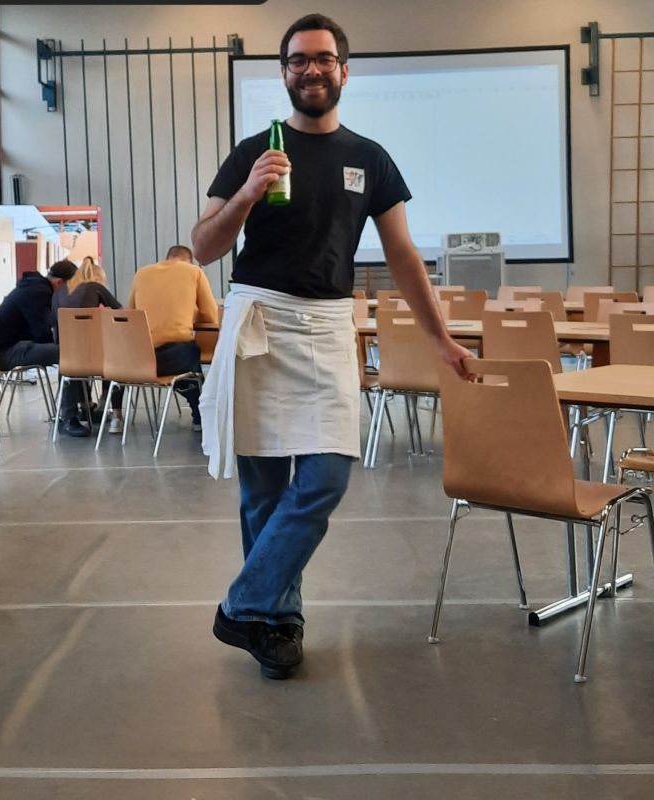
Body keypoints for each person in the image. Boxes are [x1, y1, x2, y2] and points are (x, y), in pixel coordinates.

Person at [192, 14, 471, 680]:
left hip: (326, 327)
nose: (311, 69)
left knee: (326, 476)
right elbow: (202, 246)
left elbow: (402, 255)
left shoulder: (370, 158)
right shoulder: (253, 152)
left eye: (323, 58)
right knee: (263, 495)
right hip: (259, 321)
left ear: (344, 70)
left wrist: (440, 338)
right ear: (283, 72)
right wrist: (248, 192)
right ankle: (276, 625)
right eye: (298, 60)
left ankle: (245, 604)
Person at [0, 259, 86, 438]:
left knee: (69, 351)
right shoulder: (38, 292)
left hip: (11, 347)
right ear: (59, 283)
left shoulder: (34, 287)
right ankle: (68, 417)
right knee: (68, 353)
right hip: (9, 352)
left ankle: (82, 408)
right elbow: (42, 333)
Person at [127, 245, 219, 431]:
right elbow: (211, 316)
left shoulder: (141, 273)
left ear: (167, 257)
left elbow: (131, 315)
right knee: (191, 353)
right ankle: (199, 417)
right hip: (173, 361)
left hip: (137, 361)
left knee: (186, 356)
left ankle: (115, 416)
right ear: (189, 261)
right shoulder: (194, 272)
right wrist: (190, 314)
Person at [51, 256, 125, 433]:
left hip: (68, 359)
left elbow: (53, 323)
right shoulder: (95, 287)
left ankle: (78, 411)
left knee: (75, 353)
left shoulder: (58, 293)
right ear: (98, 278)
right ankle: (114, 411)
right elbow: (122, 315)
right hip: (97, 359)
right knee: (117, 356)